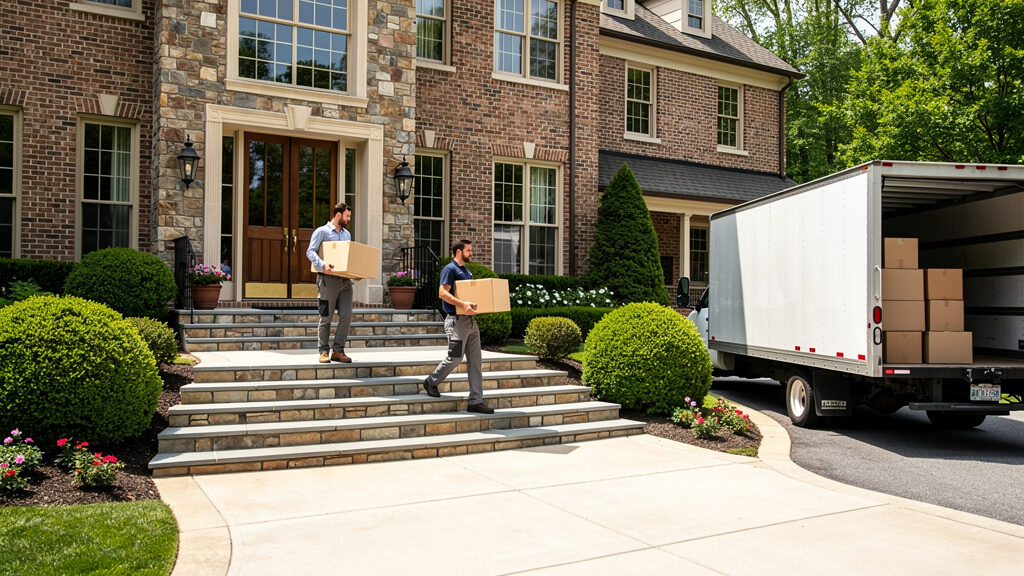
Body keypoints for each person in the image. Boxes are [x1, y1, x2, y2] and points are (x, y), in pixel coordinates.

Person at [422, 240, 494, 414]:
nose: (472, 253)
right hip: (456, 322)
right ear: (459, 252)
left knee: (475, 362)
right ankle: (431, 381)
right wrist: (462, 304)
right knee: (455, 357)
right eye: (469, 250)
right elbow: (442, 293)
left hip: (471, 322)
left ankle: (475, 401)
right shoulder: (450, 269)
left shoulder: (466, 271)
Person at [306, 203, 354, 363]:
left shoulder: (347, 235)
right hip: (327, 280)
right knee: (326, 316)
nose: (349, 219)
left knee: (346, 315)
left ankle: (338, 351)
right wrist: (322, 264)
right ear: (338, 215)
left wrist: (355, 273)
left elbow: (347, 257)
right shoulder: (322, 232)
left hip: (345, 281)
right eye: (347, 216)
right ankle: (323, 351)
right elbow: (310, 251)